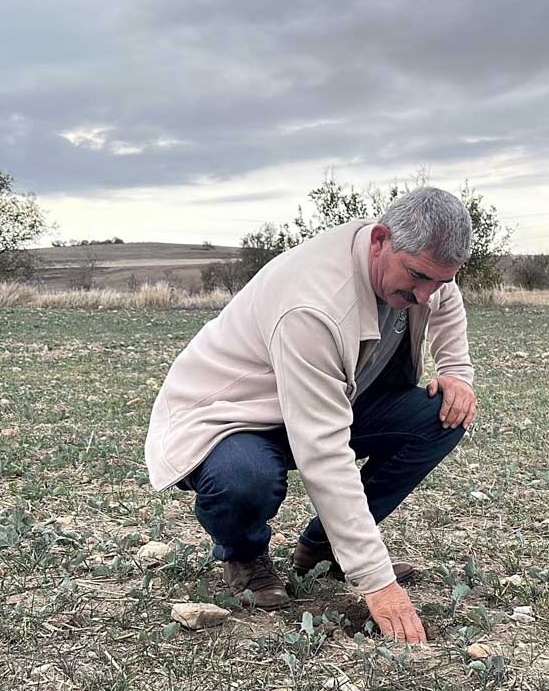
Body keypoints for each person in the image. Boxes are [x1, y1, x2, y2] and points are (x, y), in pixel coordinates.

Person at [144, 187, 477, 644]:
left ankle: (321, 548)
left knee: (443, 414)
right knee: (244, 478)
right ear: (379, 240)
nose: (424, 295)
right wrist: (377, 582)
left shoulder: (422, 269)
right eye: (418, 277)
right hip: (235, 417)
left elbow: (445, 296)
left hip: (329, 398)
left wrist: (456, 370)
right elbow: (323, 450)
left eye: (438, 281)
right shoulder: (314, 303)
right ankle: (244, 555)